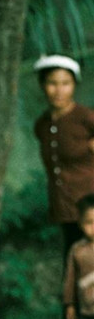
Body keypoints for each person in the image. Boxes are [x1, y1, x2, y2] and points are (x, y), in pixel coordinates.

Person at [33, 54, 94, 264]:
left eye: (65, 84)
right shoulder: (42, 125)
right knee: (74, 262)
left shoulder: (86, 118)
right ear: (42, 85)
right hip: (65, 207)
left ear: (74, 85)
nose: (59, 91)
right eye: (52, 83)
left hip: (91, 208)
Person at [63, 194, 94, 319]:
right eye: (89, 222)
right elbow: (70, 279)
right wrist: (70, 304)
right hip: (86, 307)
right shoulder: (77, 250)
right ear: (81, 224)